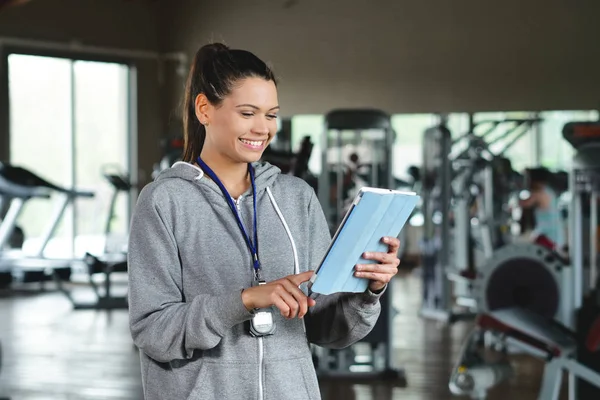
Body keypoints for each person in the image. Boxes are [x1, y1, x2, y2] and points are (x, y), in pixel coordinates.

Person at [127, 43, 402, 400]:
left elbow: (327, 328)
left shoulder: (295, 196)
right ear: (204, 109)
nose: (262, 128)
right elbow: (153, 332)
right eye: (247, 113)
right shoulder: (165, 201)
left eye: (271, 115)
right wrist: (244, 300)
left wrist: (369, 289)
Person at [519, 167, 565, 249]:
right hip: (553, 236)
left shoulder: (539, 194)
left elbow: (524, 204)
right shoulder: (548, 191)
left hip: (548, 236)